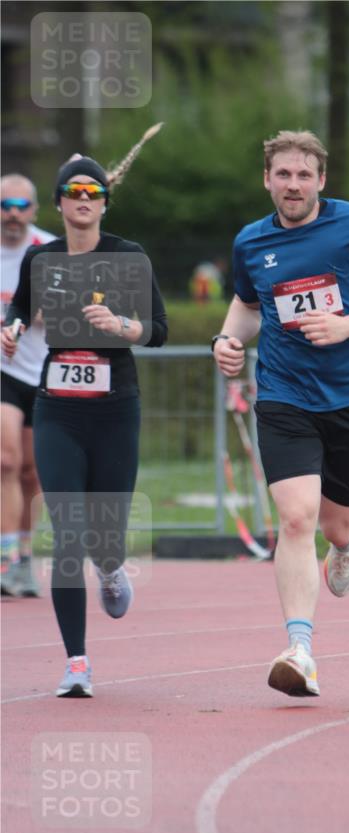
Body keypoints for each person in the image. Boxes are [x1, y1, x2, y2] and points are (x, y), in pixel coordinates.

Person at [212, 129, 349, 698]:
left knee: (336, 523)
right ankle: (299, 649)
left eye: (304, 175)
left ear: (321, 180)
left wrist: (347, 325)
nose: (294, 184)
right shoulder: (251, 242)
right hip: (283, 395)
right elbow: (248, 305)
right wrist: (227, 341)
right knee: (297, 518)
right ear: (267, 180)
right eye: (284, 174)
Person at [1, 124, 167, 697]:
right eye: (73, 192)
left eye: (92, 193)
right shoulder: (40, 259)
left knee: (105, 537)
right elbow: (19, 310)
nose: (82, 201)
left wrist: (125, 327)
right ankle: (77, 662)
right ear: (60, 203)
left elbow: (160, 330)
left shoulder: (128, 256)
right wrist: (11, 329)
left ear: (103, 202)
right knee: (66, 533)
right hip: (58, 410)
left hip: (115, 410)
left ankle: (113, 566)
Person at [1, 174, 55, 597]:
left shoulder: (49, 251)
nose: (13, 213)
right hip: (4, 370)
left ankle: (22, 555)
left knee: (31, 470)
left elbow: (72, 312)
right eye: (5, 205)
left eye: (21, 205)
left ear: (34, 210)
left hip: (40, 372)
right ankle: (7, 559)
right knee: (5, 460)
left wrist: (39, 315)